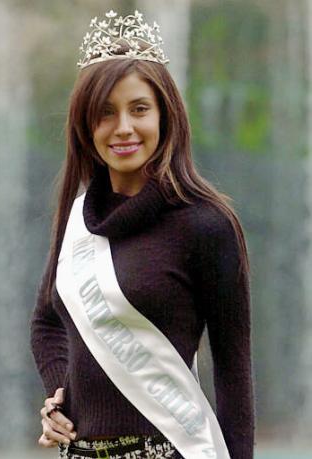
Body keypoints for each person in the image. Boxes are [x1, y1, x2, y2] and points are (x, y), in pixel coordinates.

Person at [30, 9, 255, 459]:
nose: (124, 128)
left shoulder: (206, 223)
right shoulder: (75, 219)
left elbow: (233, 370)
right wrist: (60, 393)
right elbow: (46, 322)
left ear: (165, 116)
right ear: (84, 125)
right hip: (79, 453)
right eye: (106, 113)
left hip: (173, 449)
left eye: (139, 109)